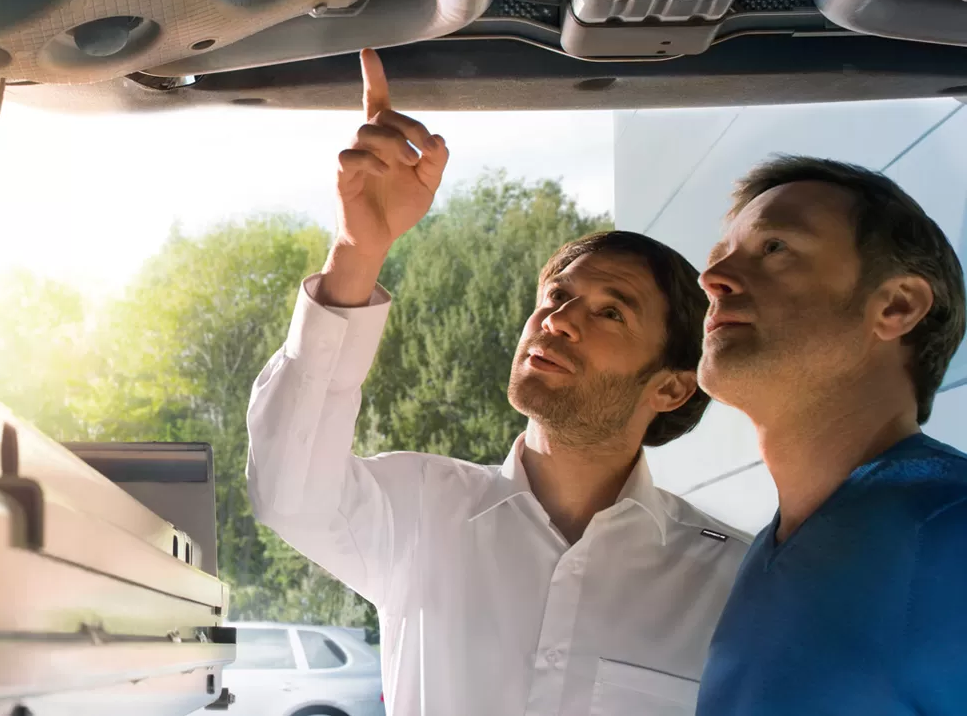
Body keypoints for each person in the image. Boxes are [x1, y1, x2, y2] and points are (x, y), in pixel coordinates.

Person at [247, 49, 749, 716]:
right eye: (555, 296)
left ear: (671, 388)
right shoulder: (422, 511)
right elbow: (286, 489)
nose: (559, 320)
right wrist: (357, 250)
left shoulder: (735, 582)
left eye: (609, 311)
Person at [693, 156, 967, 715]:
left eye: (775, 248)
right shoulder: (765, 555)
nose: (711, 279)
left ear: (897, 305)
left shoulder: (954, 527)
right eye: (720, 257)